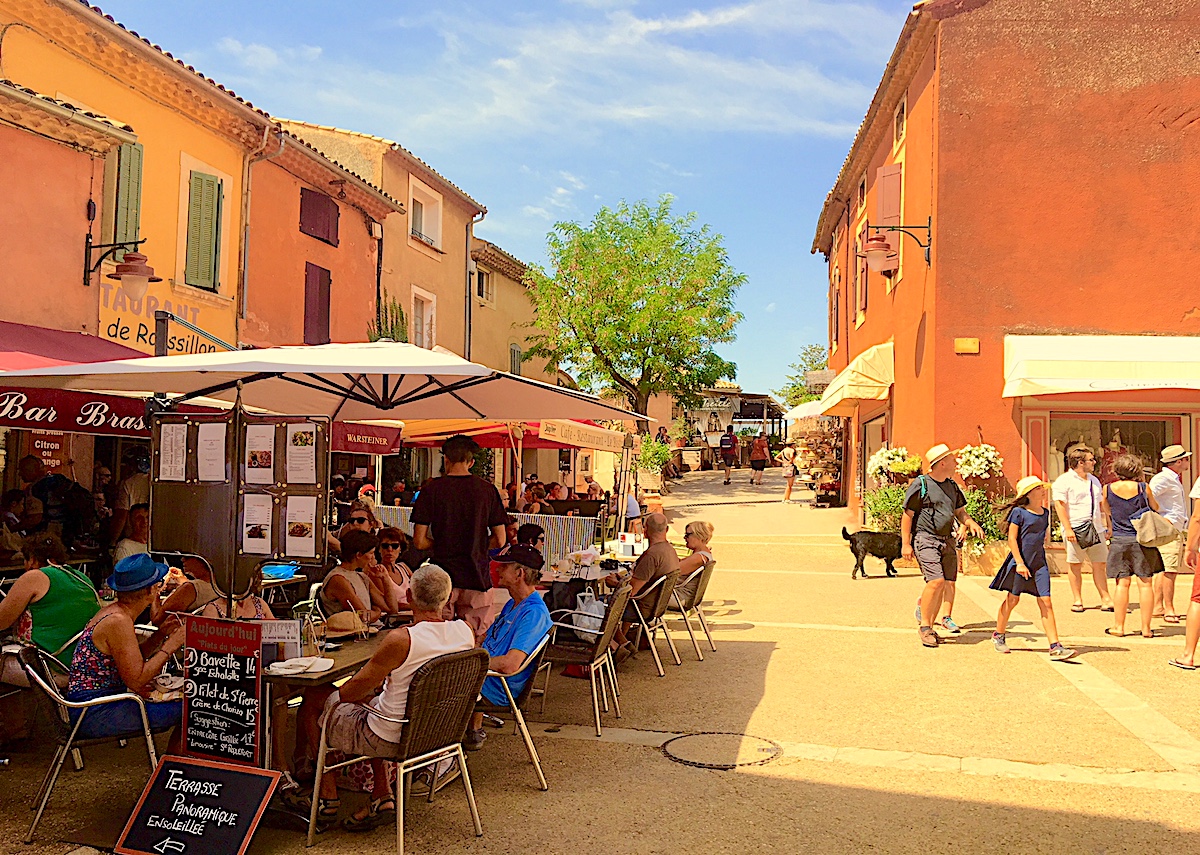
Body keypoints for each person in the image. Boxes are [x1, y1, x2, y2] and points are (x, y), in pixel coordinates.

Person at [286, 565, 475, 829]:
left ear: (409, 596)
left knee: (316, 697)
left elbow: (351, 691)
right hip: (440, 732)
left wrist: (343, 698)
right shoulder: (464, 631)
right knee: (377, 703)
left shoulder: (402, 639)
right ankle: (381, 795)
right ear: (447, 597)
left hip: (392, 736)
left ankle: (326, 795)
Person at [65, 554, 186, 751]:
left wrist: (159, 635)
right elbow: (136, 680)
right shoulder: (118, 621)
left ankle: (172, 763)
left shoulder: (116, 613)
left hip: (93, 705)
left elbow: (131, 660)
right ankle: (173, 768)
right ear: (149, 590)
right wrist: (172, 644)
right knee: (195, 709)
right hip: (94, 712)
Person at [411, 434, 509, 640]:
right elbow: (500, 540)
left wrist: (442, 545)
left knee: (438, 640)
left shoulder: (431, 490)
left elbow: (419, 541)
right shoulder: (487, 491)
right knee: (475, 641)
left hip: (442, 578)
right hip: (477, 576)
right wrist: (479, 546)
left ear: (445, 459)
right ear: (471, 461)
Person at [465, 544, 552, 751]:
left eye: (504, 566)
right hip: (487, 678)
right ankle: (468, 734)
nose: (497, 569)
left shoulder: (533, 614)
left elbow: (510, 665)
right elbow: (488, 639)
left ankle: (439, 757)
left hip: (497, 687)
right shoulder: (514, 604)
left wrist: (468, 663)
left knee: (428, 684)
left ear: (519, 573)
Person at [902, 444, 985, 648]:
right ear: (942, 463)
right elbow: (908, 515)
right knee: (936, 581)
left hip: (947, 540)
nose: (956, 463)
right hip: (926, 538)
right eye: (952, 459)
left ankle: (930, 621)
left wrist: (970, 522)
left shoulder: (952, 486)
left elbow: (960, 512)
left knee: (945, 582)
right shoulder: (921, 484)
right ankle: (925, 628)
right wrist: (906, 543)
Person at [989, 477, 1076, 661]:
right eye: (1038, 488)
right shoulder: (1019, 513)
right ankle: (998, 635)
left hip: (1039, 564)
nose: (1043, 491)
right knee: (1012, 600)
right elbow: (1012, 539)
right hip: (1020, 563)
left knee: (1046, 602)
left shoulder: (1045, 513)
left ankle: (1055, 646)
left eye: (1042, 488)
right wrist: (1019, 563)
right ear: (1028, 493)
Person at [0, 532, 99, 665]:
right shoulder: (82, 577)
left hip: (48, 665)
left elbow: (2, 621)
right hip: (81, 664)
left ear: (33, 560)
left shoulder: (34, 577)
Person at [1104, 454, 1164, 639]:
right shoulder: (1143, 488)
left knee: (1122, 584)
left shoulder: (1108, 489)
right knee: (1146, 584)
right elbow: (1155, 507)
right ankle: (1146, 628)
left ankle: (1119, 626)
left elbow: (1107, 510)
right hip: (1142, 540)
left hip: (1120, 540)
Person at [1052, 444, 1114, 613]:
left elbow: (1102, 504)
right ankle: (1077, 599)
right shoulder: (1063, 481)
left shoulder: (1094, 480)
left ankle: (1105, 598)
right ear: (1080, 462)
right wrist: (1068, 528)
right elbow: (1059, 506)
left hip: (1096, 528)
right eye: (1090, 460)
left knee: (1100, 564)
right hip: (1076, 528)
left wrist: (1108, 524)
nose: (1094, 462)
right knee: (1075, 565)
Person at [605, 513, 680, 652]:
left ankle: (618, 645)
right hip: (656, 605)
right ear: (667, 529)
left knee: (597, 605)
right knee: (607, 602)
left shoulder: (652, 555)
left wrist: (614, 583)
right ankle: (623, 641)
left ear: (644, 531)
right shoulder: (670, 550)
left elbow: (632, 591)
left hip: (641, 608)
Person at [1150, 445, 1191, 624]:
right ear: (1179, 461)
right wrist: (1160, 517)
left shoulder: (1170, 478)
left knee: (1164, 568)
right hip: (1169, 528)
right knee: (1170, 570)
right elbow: (1147, 495)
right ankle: (1169, 608)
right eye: (1186, 459)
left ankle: (1158, 606)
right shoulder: (1164, 479)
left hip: (1172, 527)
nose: (1188, 462)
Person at [320, 529, 388, 620]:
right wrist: (378, 612)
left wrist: (386, 578)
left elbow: (390, 608)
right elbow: (363, 616)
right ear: (359, 555)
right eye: (371, 553)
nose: (373, 558)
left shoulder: (361, 577)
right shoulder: (338, 579)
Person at [366, 527, 413, 613]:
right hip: (397, 617)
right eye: (385, 546)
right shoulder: (377, 573)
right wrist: (414, 606)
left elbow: (420, 591)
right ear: (379, 549)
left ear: (400, 549)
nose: (390, 550)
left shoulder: (403, 567)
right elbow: (387, 603)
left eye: (395, 546)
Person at [109, 446, 151, 542]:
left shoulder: (128, 483)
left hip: (133, 538)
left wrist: (112, 543)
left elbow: (121, 516)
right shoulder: (154, 481)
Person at [674, 521, 714, 603]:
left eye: (687, 535)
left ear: (699, 536)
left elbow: (672, 572)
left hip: (680, 597)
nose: (684, 538)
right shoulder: (705, 554)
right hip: (684, 595)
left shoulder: (698, 558)